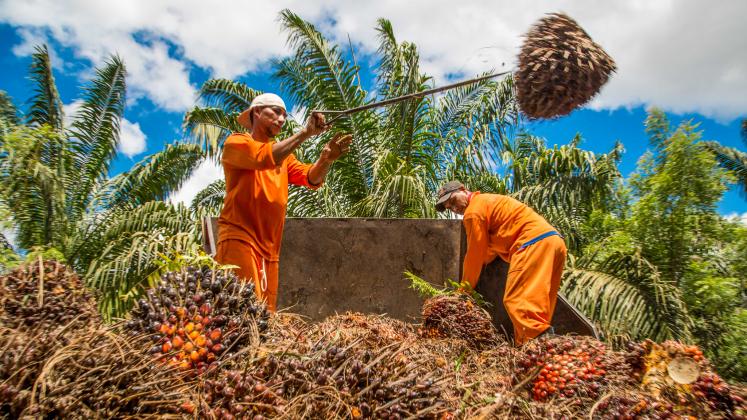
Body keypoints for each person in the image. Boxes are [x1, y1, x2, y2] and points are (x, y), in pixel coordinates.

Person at [215, 93, 352, 311]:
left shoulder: (285, 157)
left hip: (269, 249)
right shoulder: (237, 143)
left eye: (284, 115)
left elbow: (311, 177)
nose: (281, 119)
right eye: (276, 112)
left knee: (263, 315)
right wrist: (306, 133)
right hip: (239, 237)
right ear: (257, 112)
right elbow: (264, 157)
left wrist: (326, 160)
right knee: (241, 309)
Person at [435, 180, 567, 345]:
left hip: (531, 243)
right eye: (449, 207)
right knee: (539, 310)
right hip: (553, 243)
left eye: (453, 201)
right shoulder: (488, 203)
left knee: (517, 301)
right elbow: (486, 254)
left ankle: (545, 352)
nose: (455, 208)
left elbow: (475, 256)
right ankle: (527, 349)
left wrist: (464, 290)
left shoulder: (473, 212)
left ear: (463, 190)